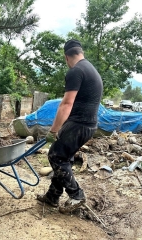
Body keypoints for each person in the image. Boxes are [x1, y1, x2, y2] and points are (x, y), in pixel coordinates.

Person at [36, 39, 103, 213]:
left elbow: (67, 103)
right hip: (88, 124)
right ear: (81, 52)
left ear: (66, 57)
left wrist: (53, 130)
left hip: (79, 124)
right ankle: (52, 196)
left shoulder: (76, 71)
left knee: (56, 156)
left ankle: (77, 195)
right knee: (64, 158)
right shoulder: (90, 69)